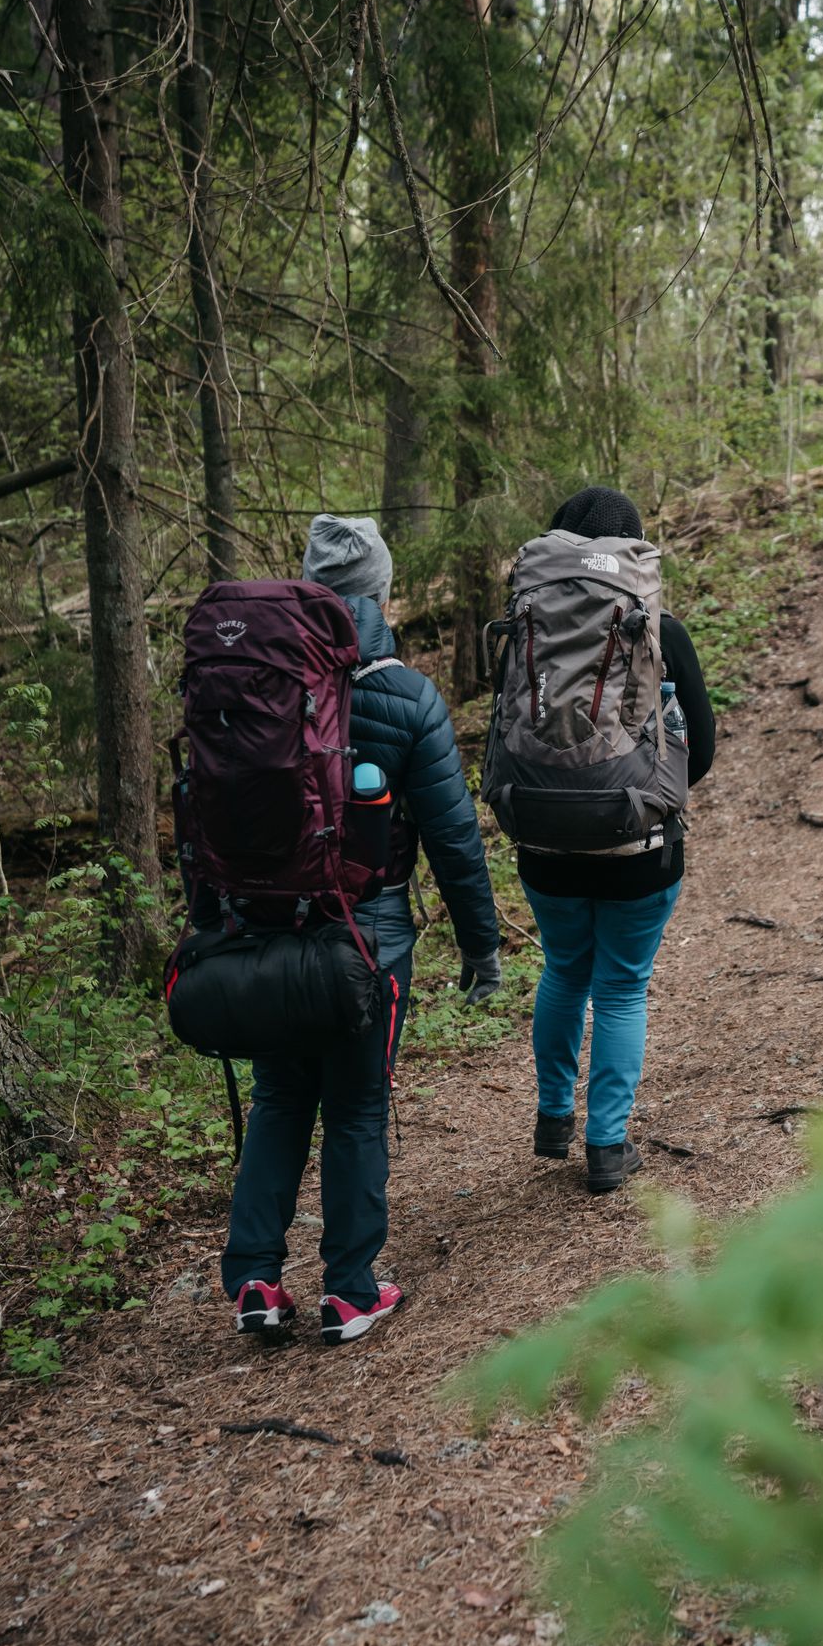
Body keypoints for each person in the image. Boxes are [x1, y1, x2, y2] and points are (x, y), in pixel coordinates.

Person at [221, 514, 502, 1346]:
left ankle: (256, 1283)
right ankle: (349, 1289)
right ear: (381, 593)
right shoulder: (406, 695)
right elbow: (453, 838)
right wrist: (481, 947)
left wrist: (212, 928)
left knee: (279, 1098)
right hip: (364, 938)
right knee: (353, 1106)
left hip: (262, 928)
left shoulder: (253, 685)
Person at [518, 487, 715, 1195]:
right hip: (638, 846)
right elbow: (706, 752)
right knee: (622, 990)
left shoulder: (526, 623)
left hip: (542, 839)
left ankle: (551, 1117)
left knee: (564, 971)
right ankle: (606, 1148)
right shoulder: (662, 628)